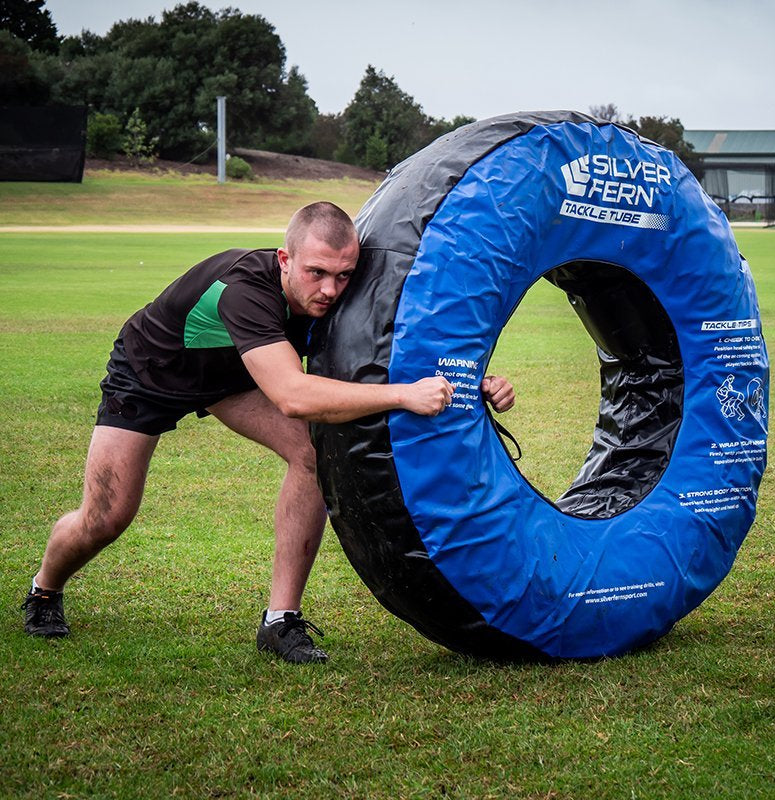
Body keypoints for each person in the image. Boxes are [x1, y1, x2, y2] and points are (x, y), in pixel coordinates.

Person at [22, 201, 516, 663]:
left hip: (237, 378)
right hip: (152, 373)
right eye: (316, 272)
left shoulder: (339, 293)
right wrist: (403, 396)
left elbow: (400, 354)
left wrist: (473, 385)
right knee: (106, 517)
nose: (330, 289)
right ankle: (45, 588)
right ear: (284, 259)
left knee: (311, 454)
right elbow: (293, 396)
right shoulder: (245, 291)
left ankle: (280, 621)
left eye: (344, 275)